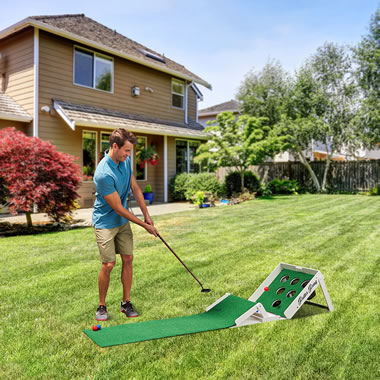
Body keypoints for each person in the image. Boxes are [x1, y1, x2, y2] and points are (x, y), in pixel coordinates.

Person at [92, 128, 158, 321]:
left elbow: (135, 187)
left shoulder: (125, 161)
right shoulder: (103, 173)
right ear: (114, 146)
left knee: (128, 259)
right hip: (105, 222)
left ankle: (126, 303)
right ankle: (102, 306)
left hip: (122, 221)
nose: (129, 155)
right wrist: (144, 226)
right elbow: (119, 208)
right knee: (109, 264)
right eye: (126, 151)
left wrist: (147, 215)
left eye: (130, 151)